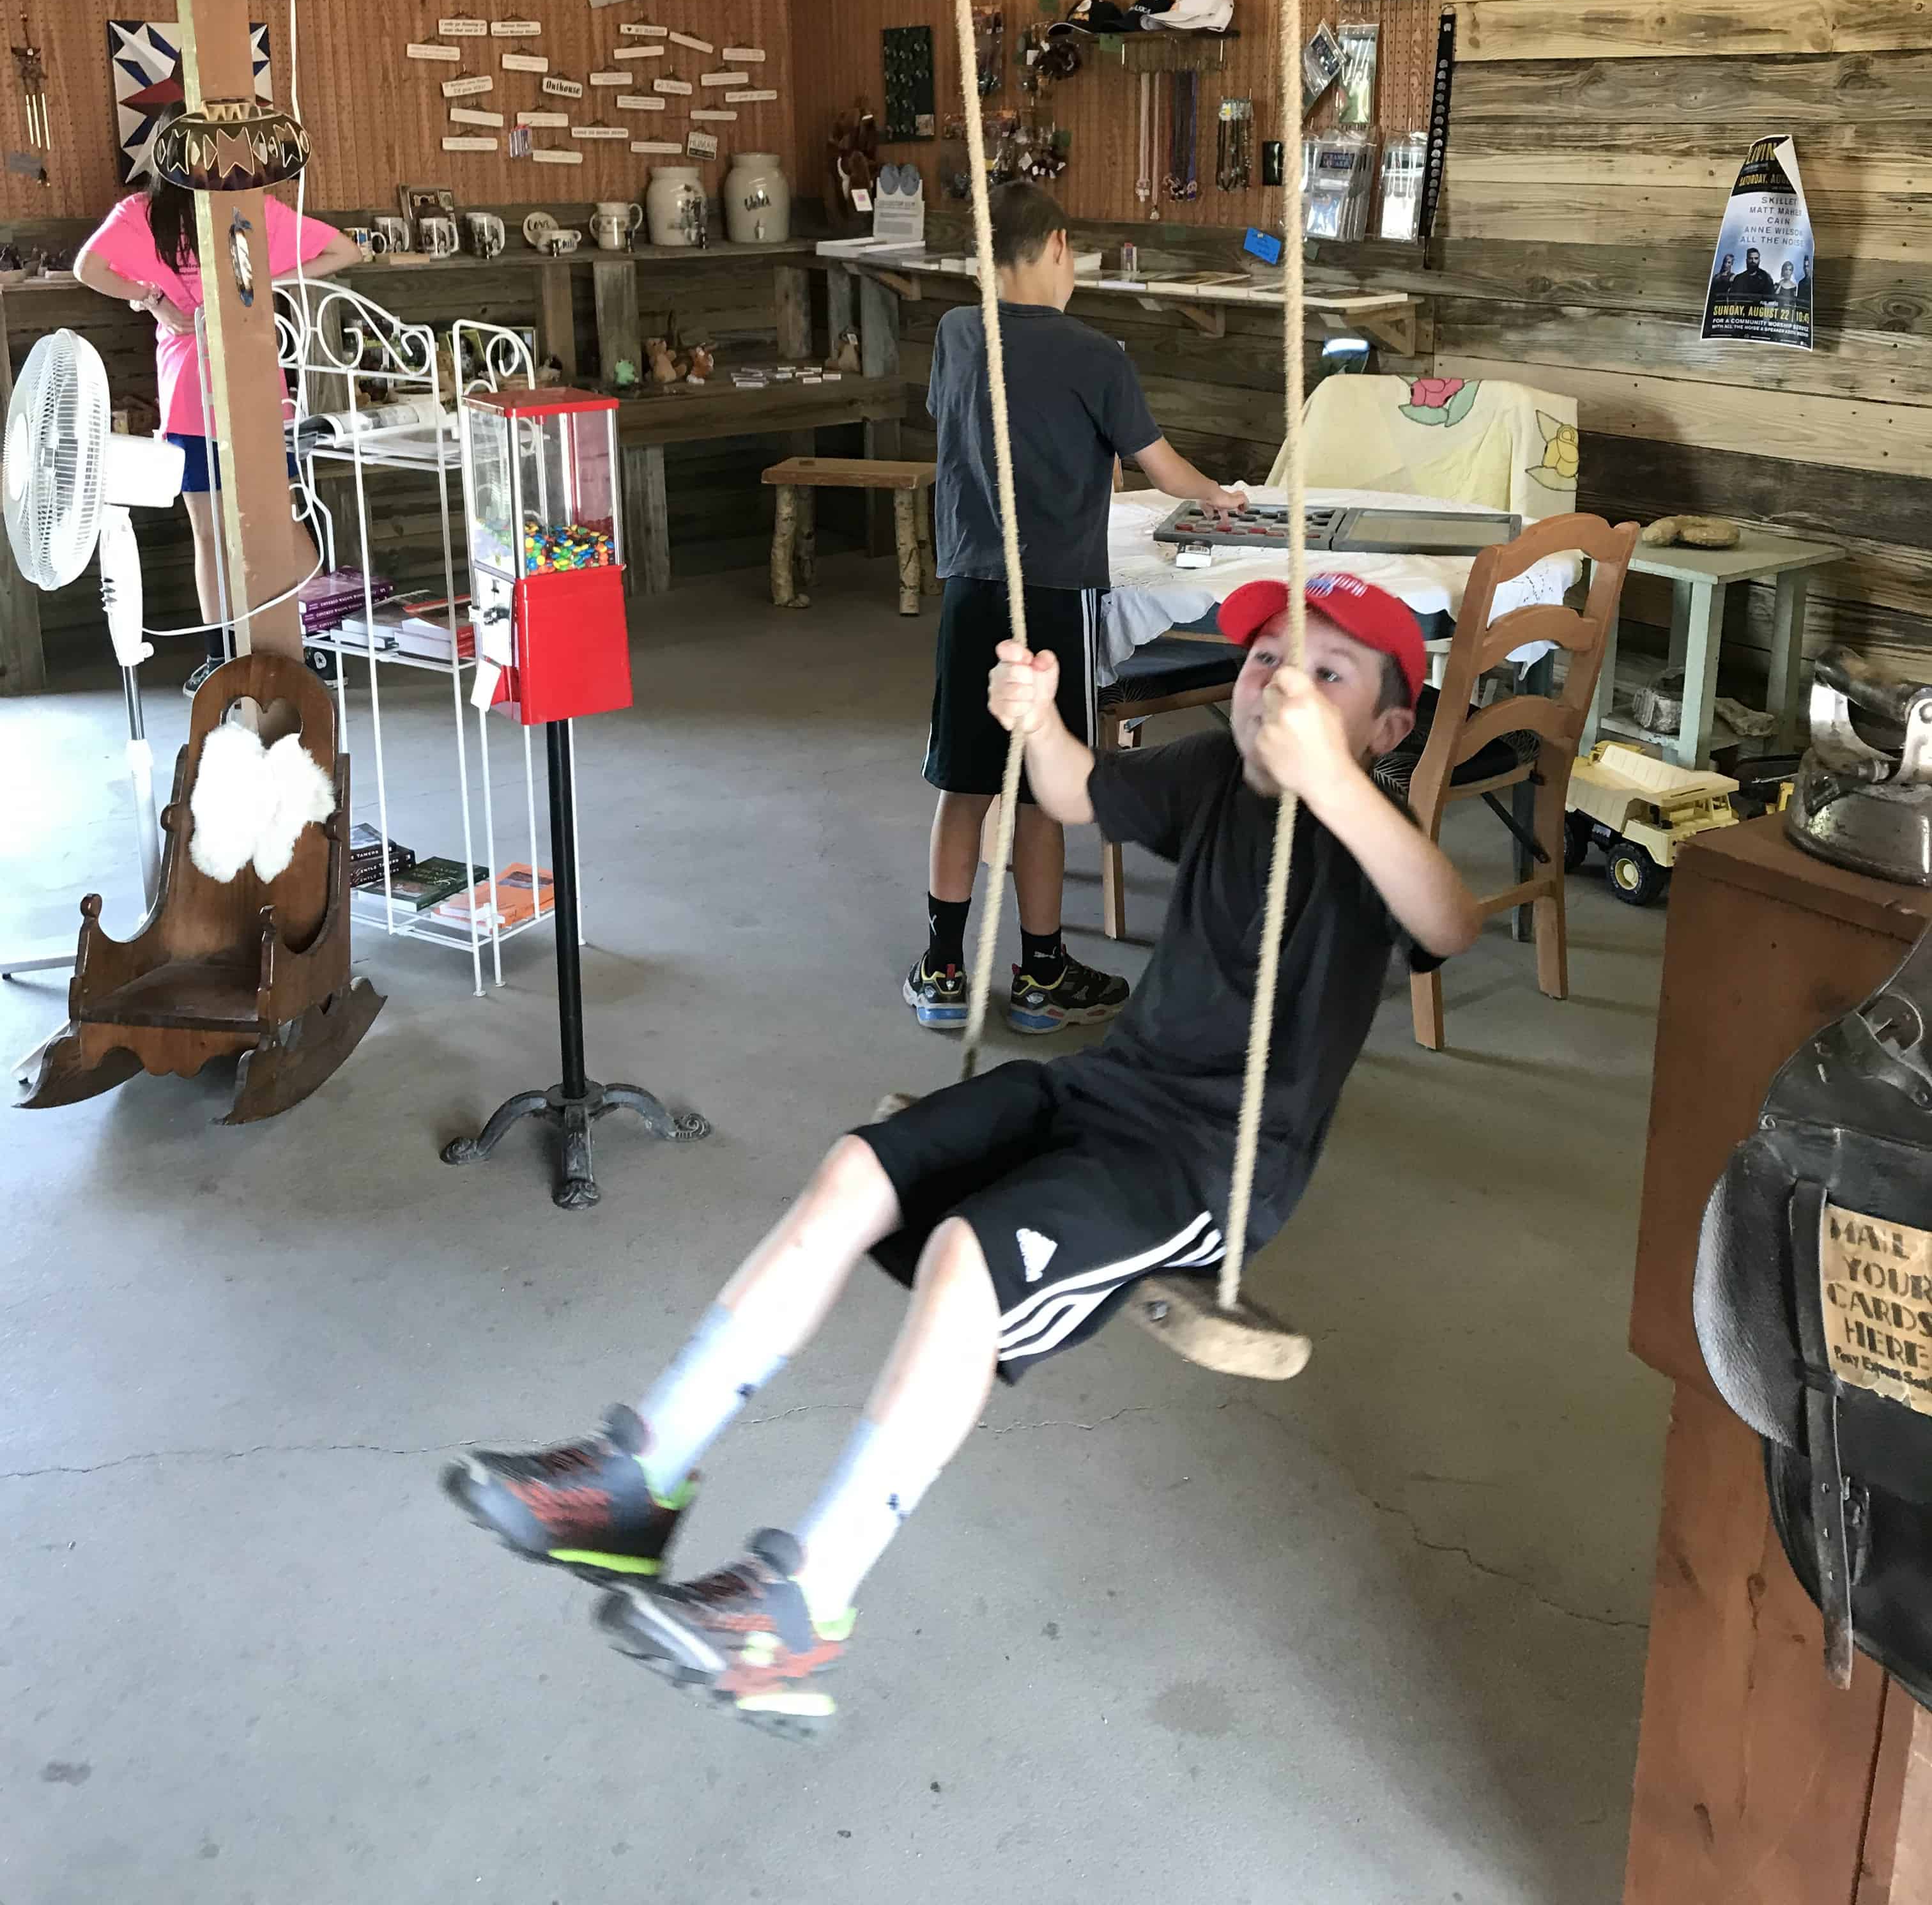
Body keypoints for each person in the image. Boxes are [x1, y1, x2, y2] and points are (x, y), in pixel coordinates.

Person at [443, 571, 1482, 1739]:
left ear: (1385, 729)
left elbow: (1445, 920)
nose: (1275, 687)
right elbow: (1076, 793)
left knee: (966, 1257)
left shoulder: (1361, 825)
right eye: (1259, 661)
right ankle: (636, 1483)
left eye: (1325, 675)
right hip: (1100, 1082)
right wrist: (1038, 724)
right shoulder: (1209, 774)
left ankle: (800, 1604)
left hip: (1202, 1161)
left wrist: (1335, 781)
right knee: (853, 1170)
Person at [908, 180, 1244, 1038]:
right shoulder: (1098, 354)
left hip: (972, 593)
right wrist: (1226, 497)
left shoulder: (954, 334)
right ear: (1059, 246)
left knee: (964, 783)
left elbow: (962, 424)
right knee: (1040, 795)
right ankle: (1042, 973)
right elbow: (1163, 469)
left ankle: (944, 969)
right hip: (1055, 604)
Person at [74, 169, 357, 691]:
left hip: (188, 383)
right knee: (280, 517)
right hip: (253, 379)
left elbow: (86, 267)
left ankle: (219, 657)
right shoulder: (251, 208)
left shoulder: (141, 212)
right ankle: (324, 645)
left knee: (208, 530)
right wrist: (259, 287)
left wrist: (151, 297)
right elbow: (344, 252)